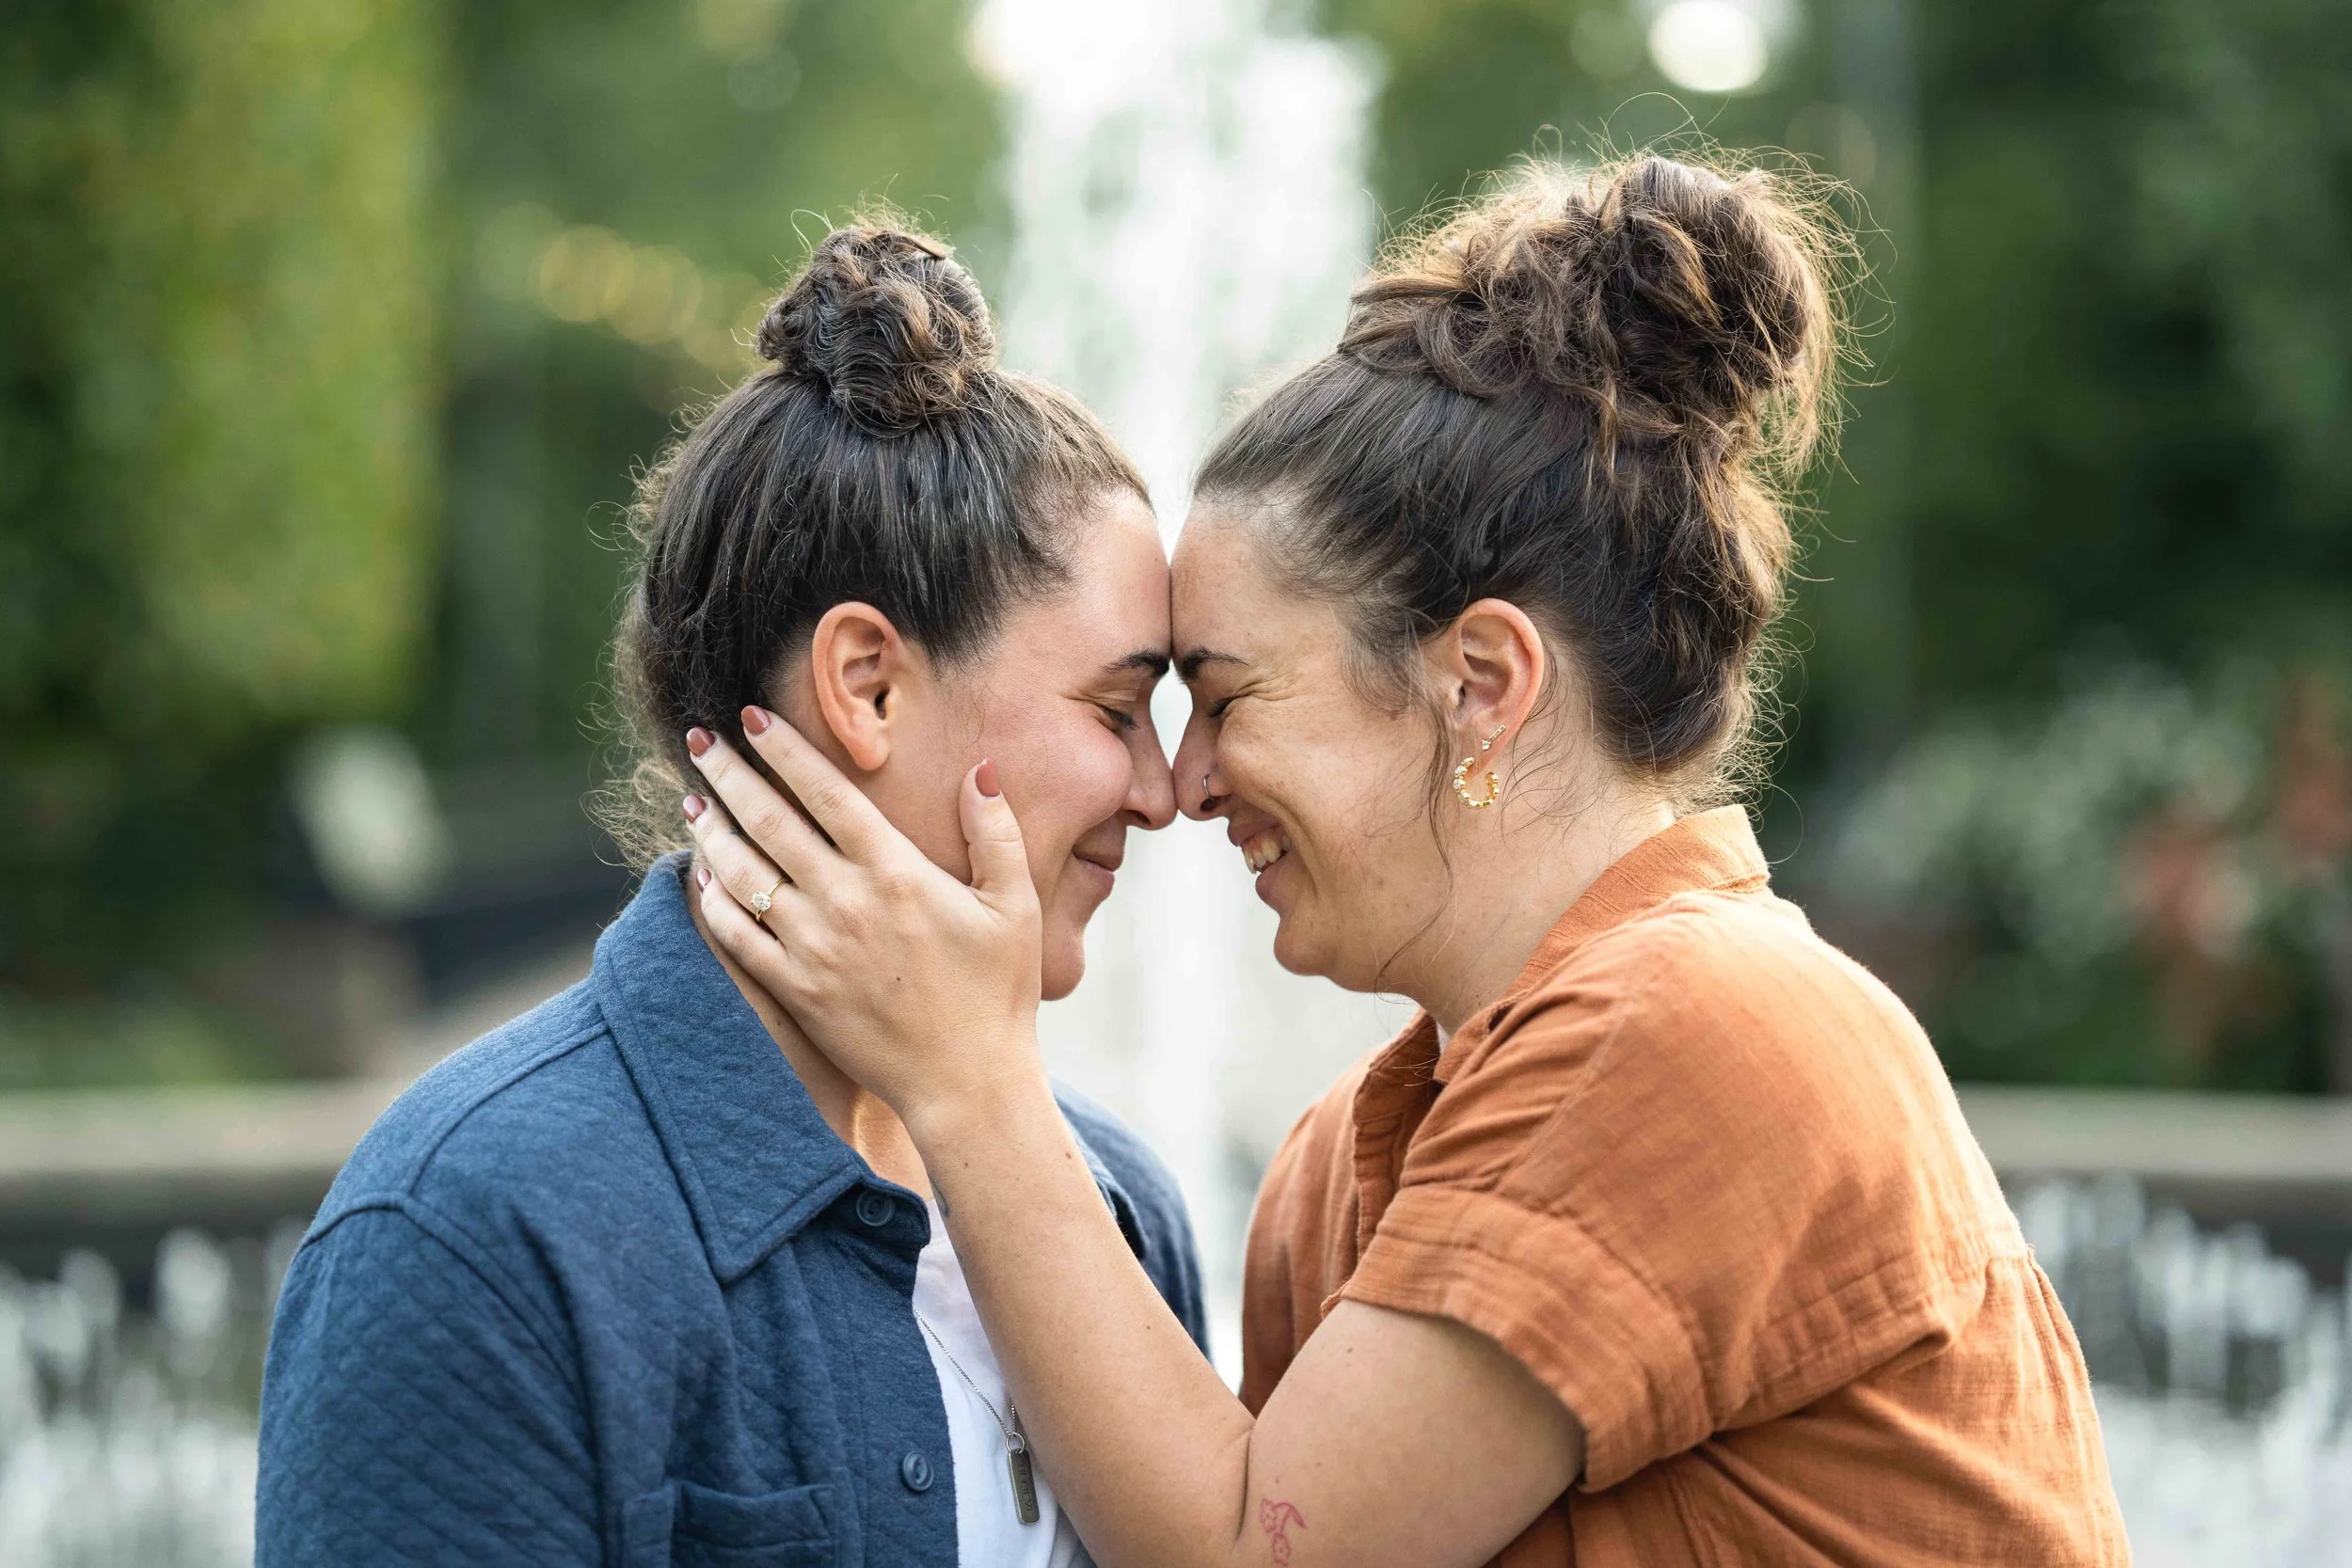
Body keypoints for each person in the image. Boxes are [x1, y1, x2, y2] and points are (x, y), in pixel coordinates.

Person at [683, 157, 2131, 1566]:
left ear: (1482, 682)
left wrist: (967, 1076)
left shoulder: (1702, 1023)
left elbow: (1252, 1548)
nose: (1183, 786)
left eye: (1231, 699)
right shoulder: (1341, 1168)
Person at [257, 221, 1207, 1568]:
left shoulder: (1122, 1212)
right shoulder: (474, 1232)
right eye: (1117, 708)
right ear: (867, 684)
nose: (1161, 790)